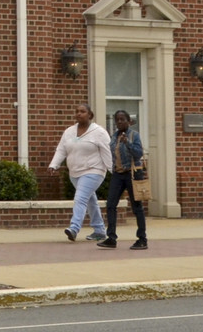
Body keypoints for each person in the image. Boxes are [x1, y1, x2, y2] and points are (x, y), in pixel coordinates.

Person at [49, 104, 112, 243]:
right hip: (75, 172)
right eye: (77, 112)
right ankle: (99, 230)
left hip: (94, 170)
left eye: (82, 112)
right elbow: (61, 150)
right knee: (90, 201)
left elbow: (107, 151)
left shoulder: (99, 132)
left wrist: (112, 170)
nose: (79, 114)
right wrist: (54, 164)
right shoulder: (69, 132)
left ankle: (74, 228)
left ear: (90, 115)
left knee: (80, 198)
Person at [101, 109, 148, 250]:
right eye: (117, 120)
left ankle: (142, 239)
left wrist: (128, 143)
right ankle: (111, 238)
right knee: (110, 204)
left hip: (132, 173)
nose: (120, 122)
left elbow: (138, 153)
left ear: (129, 121)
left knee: (137, 207)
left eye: (123, 119)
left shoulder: (134, 135)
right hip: (118, 174)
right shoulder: (114, 137)